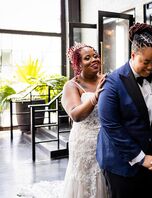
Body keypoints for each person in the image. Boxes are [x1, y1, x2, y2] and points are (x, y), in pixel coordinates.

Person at [96, 22, 152, 198]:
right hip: (122, 164)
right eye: (145, 62)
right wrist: (141, 157)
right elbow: (111, 126)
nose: (150, 67)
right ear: (133, 55)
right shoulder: (113, 83)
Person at [61, 42, 109, 198]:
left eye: (95, 55)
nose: (94, 59)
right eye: (87, 58)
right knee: (85, 181)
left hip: (107, 139)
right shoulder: (72, 85)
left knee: (105, 179)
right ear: (78, 64)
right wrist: (95, 97)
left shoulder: (107, 79)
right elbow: (75, 115)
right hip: (84, 142)